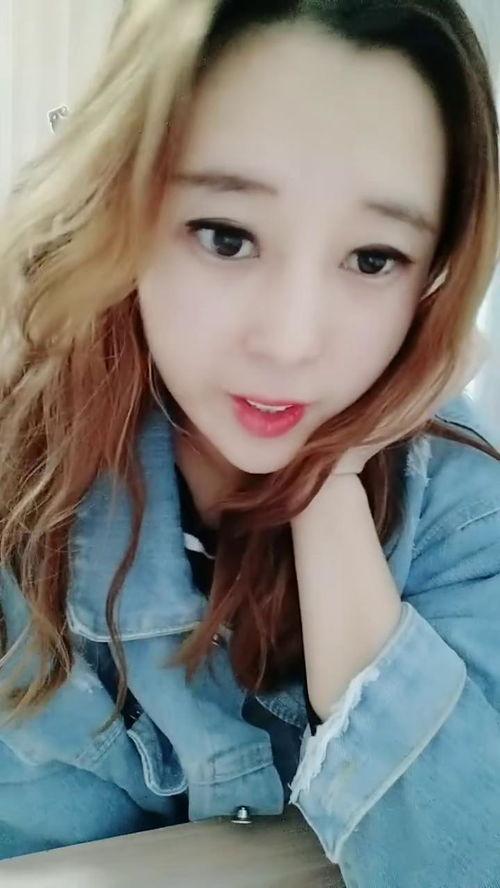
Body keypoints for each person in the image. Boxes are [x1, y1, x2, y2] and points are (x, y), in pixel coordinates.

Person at [0, 1, 499, 884]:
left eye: (373, 258)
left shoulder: (462, 502)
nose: (291, 343)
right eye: (227, 237)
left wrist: (329, 489)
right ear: (124, 210)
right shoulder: (29, 475)